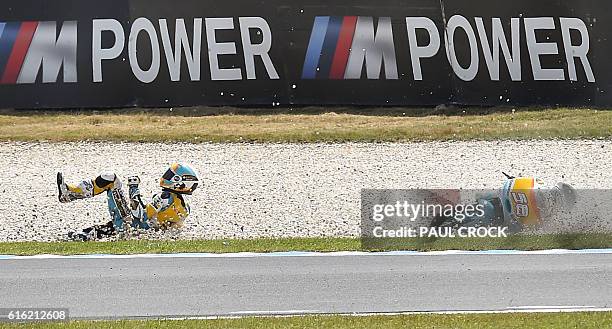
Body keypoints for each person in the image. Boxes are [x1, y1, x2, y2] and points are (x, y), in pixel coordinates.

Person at [57, 163, 200, 241]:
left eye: (170, 175)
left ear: (179, 183)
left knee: (110, 178)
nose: (166, 176)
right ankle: (84, 235)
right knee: (110, 227)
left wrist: (133, 188)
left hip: (130, 226)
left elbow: (141, 214)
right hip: (136, 231)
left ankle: (70, 193)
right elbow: (169, 229)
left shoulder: (164, 197)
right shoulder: (185, 208)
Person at [431, 175, 577, 233]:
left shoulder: (550, 214)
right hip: (501, 199)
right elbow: (522, 181)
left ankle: (454, 230)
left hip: (506, 220)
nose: (557, 196)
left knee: (484, 222)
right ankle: (449, 223)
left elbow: (532, 226)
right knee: (482, 207)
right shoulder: (541, 184)